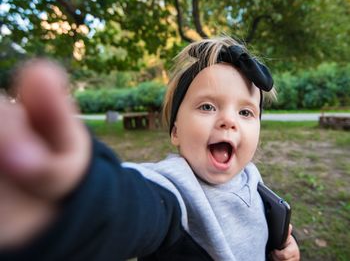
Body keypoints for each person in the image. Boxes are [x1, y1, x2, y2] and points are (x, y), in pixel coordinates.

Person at [0, 37, 300, 261]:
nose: (228, 121)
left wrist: (287, 246)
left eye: (246, 113)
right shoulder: (173, 190)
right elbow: (130, 205)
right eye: (207, 106)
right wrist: (78, 195)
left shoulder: (251, 178)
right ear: (175, 131)